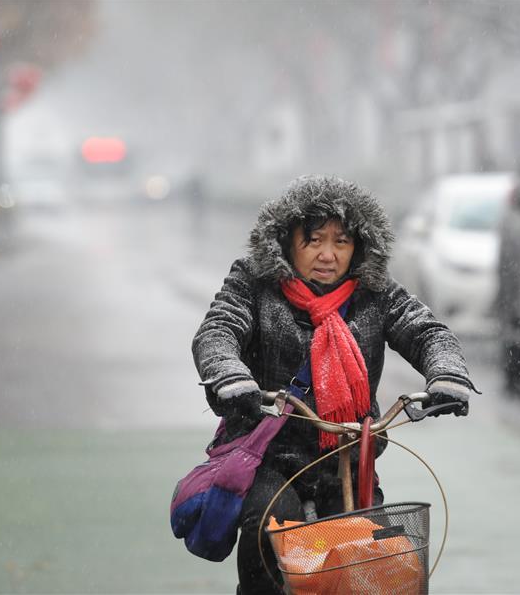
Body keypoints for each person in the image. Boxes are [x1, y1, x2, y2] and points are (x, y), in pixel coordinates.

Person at [192, 175, 478, 594]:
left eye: (340, 242)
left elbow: (426, 332)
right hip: (271, 454)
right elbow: (219, 329)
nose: (327, 255)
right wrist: (231, 375)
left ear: (357, 247)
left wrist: (446, 372)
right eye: (313, 241)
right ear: (287, 243)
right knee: (266, 526)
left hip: (349, 455)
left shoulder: (375, 293)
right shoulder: (253, 283)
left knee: (367, 561)